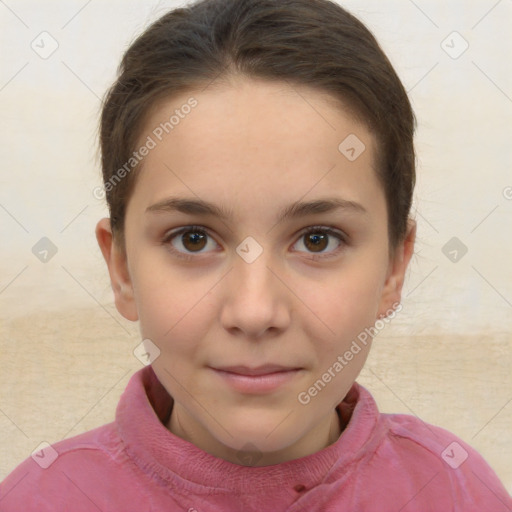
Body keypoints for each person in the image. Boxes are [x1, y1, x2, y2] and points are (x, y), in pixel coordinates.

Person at [1, 0, 511, 510]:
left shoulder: (457, 490)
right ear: (122, 270)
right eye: (193, 239)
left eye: (318, 239)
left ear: (392, 270)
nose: (254, 311)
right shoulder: (38, 499)